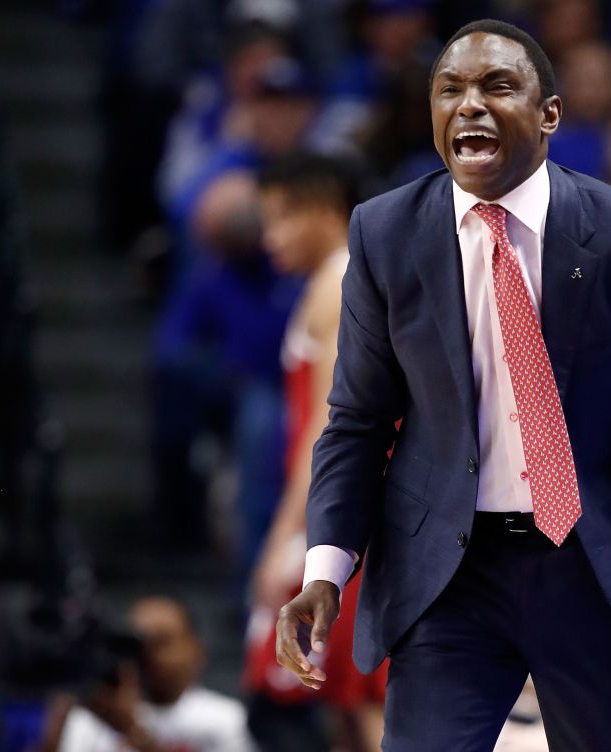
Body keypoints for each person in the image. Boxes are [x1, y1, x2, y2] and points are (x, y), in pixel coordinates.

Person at [276, 19, 611, 751]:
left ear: (549, 114)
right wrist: (325, 568)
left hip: (592, 567)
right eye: (449, 89)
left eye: (497, 86)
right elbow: (357, 420)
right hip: (449, 573)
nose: (470, 105)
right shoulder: (385, 234)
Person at [246, 152, 386, 751]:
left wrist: (287, 535)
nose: (269, 238)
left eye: (280, 219)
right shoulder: (339, 277)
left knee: (363, 696)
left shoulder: (340, 281)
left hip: (343, 516)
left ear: (324, 210)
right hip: (345, 509)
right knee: (343, 699)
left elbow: (332, 427)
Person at [51, 597, 255, 752]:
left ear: (196, 649)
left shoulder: (227, 719)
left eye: (162, 641)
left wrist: (133, 732)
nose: (149, 653)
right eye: (138, 643)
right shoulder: (94, 717)